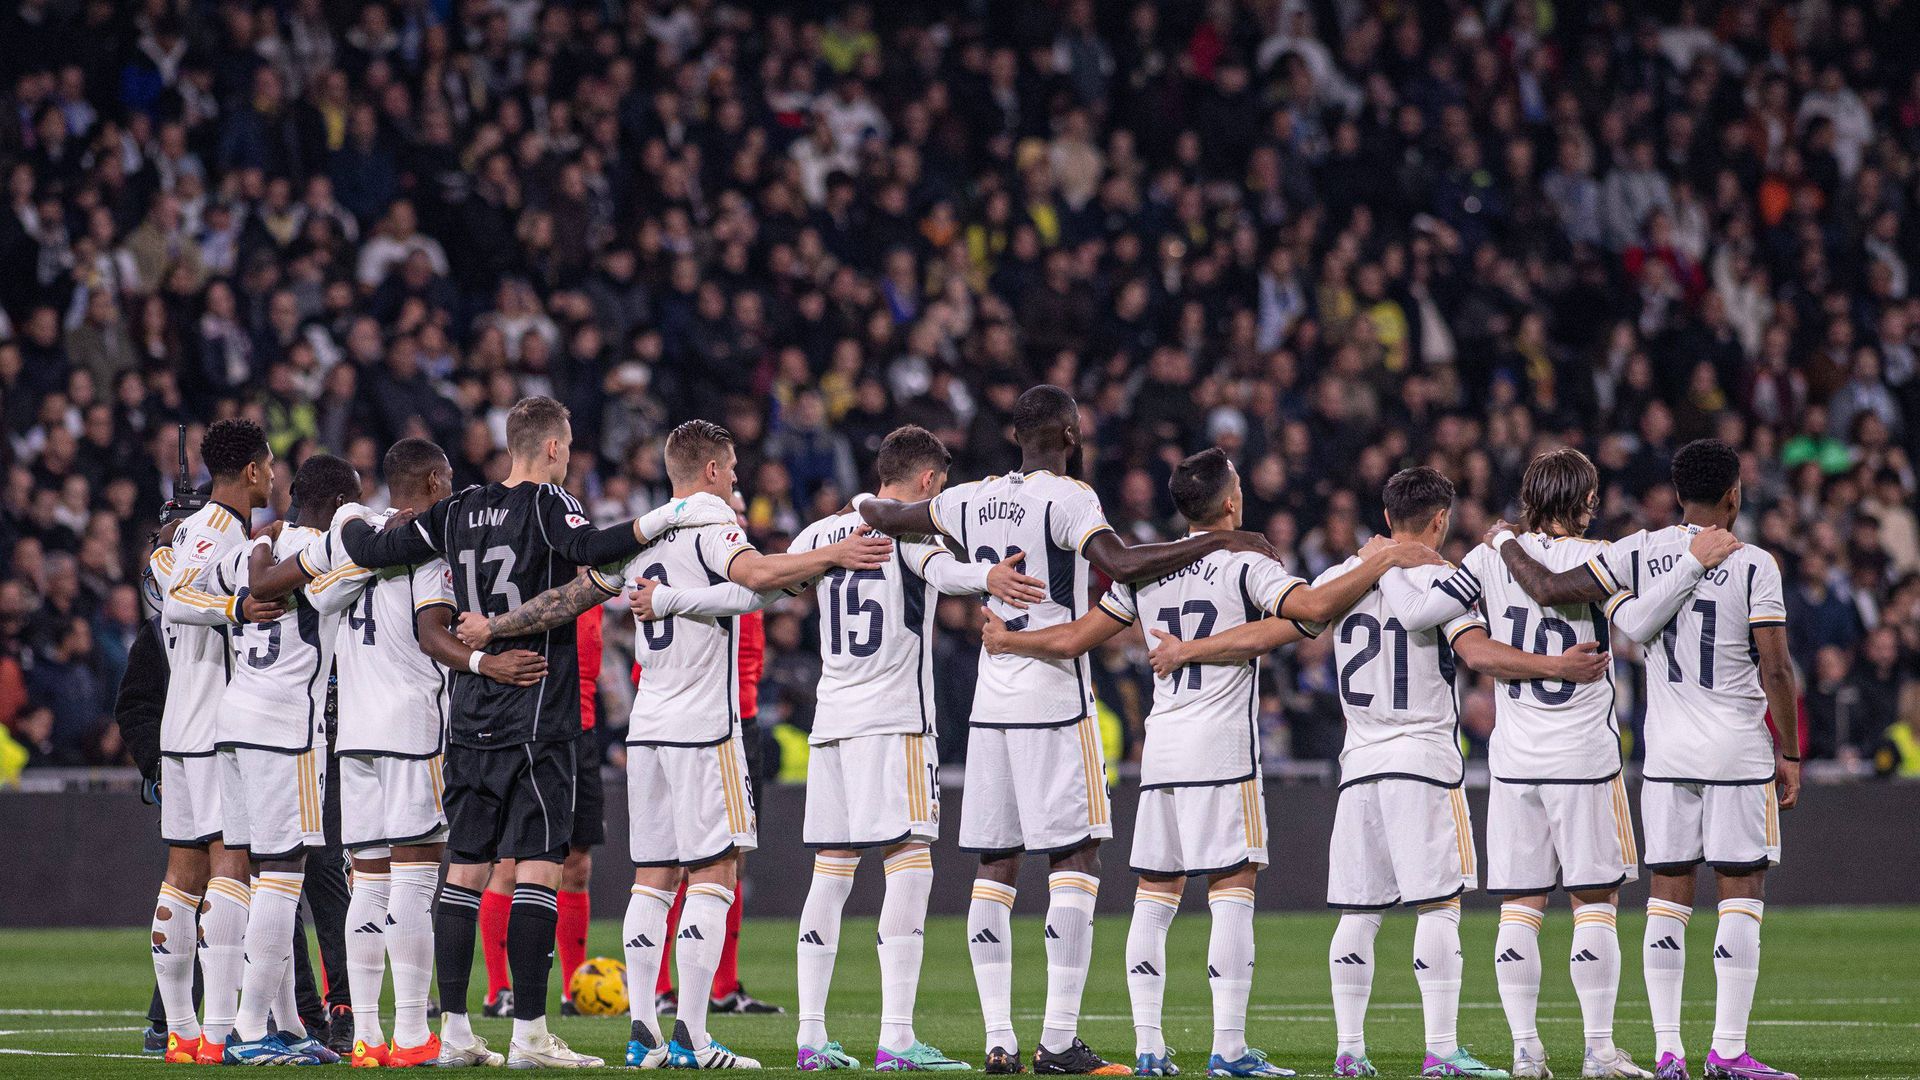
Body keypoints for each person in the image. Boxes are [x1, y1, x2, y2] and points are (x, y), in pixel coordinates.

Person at [855, 387, 1283, 1076]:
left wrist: (922, 542)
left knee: (995, 866)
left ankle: (999, 1040)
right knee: (1075, 860)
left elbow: (886, 512)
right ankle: (1057, 1042)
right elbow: (1121, 564)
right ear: (1072, 432)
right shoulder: (1069, 497)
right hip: (1055, 700)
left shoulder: (967, 496)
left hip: (992, 705)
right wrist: (1222, 540)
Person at [978, 448, 1441, 1079]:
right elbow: (1308, 610)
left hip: (1162, 750)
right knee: (1232, 889)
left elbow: (1075, 637)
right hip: (1221, 752)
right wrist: (1382, 555)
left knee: (1154, 895)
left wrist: (1008, 640)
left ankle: (1149, 1048)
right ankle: (1227, 1049)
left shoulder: (1149, 573)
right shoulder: (1244, 561)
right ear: (1230, 503)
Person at [458, 418, 892, 1070]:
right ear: (713, 471)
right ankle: (691, 1035)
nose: (739, 479)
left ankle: (644, 1032)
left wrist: (494, 625)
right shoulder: (713, 520)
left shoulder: (645, 529)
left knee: (652, 881)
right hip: (704, 729)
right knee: (714, 874)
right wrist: (833, 555)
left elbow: (570, 596)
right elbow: (758, 571)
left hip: (648, 728)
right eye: (735, 468)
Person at [1150, 466, 1605, 1077]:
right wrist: (1554, 666)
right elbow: (1475, 652)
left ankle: (1350, 1051)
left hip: (1359, 762)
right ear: (1440, 521)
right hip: (1422, 760)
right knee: (1439, 906)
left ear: (1387, 517)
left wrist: (1185, 649)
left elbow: (1280, 630)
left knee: (1358, 915)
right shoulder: (1444, 580)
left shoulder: (1341, 577)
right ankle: (1442, 1050)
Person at [335, 396, 733, 1069]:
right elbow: (590, 547)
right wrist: (672, 513)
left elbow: (372, 547)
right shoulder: (550, 503)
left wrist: (344, 518)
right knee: (539, 872)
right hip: (538, 711)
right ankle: (528, 1035)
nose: (570, 455)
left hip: (469, 712)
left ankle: (455, 1033)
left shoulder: (456, 510)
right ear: (552, 447)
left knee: (463, 871)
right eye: (568, 444)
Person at [631, 424, 1043, 1071]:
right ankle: (898, 1038)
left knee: (832, 872)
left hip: (832, 723)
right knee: (910, 862)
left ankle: (813, 1036)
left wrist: (668, 599)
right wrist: (989, 574)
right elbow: (946, 573)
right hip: (895, 723)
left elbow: (753, 593)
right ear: (929, 481)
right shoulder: (909, 530)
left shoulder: (819, 534)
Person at [1496, 439, 1803, 1080]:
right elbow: (1776, 667)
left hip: (1665, 756)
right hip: (1740, 752)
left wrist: (1503, 541)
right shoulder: (1755, 565)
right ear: (1734, 495)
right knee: (1741, 893)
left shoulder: (1637, 549)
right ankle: (1728, 1052)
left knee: (1668, 899)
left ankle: (1668, 1051)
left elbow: (1552, 588)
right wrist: (1791, 750)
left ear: (1675, 489)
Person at [1459, 449, 1739, 1080]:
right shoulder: (1605, 557)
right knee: (1595, 905)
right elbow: (1637, 623)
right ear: (1585, 501)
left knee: (1519, 908)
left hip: (1513, 760)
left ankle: (1526, 1052)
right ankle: (1598, 1050)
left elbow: (1467, 643)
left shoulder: (1484, 559)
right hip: (1584, 756)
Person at [303, 437, 546, 1066]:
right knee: (414, 883)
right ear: (437, 482)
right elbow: (431, 633)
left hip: (352, 733)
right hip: (412, 730)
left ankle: (364, 1038)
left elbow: (319, 596)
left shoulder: (354, 537)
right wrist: (487, 663)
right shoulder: (426, 549)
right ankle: (412, 1035)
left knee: (368, 884)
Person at [197, 453, 364, 1064]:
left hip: (234, 715)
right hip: (287, 725)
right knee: (285, 873)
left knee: (243, 867)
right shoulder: (325, 552)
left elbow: (197, 588)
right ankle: (249, 1029)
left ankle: (285, 1023)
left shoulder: (249, 548)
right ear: (339, 503)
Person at [147, 419, 286, 1065]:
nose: (276, 475)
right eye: (272, 464)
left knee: (185, 878)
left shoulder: (194, 533)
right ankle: (220, 1034)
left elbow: (167, 579)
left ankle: (182, 1031)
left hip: (187, 720)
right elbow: (177, 599)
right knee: (231, 868)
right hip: (215, 727)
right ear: (253, 472)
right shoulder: (214, 529)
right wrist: (235, 609)